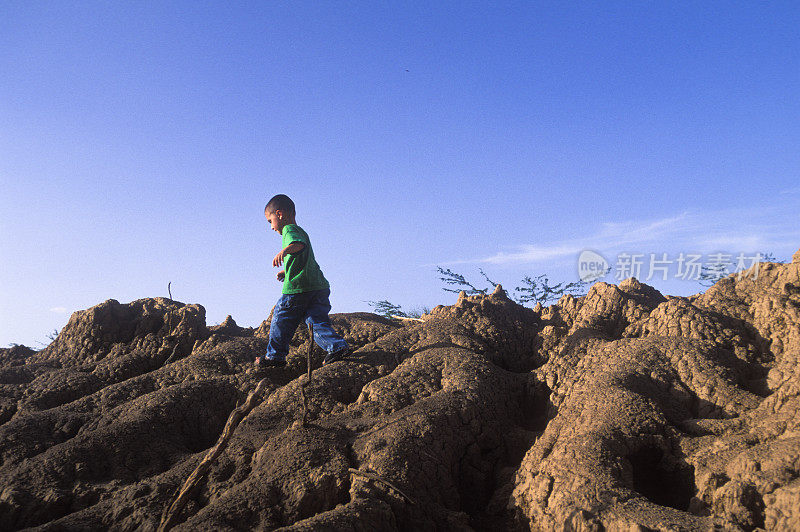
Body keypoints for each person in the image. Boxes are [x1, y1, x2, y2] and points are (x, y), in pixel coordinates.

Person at [256, 194, 351, 368]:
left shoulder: (289, 230)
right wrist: (287, 270)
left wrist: (283, 252)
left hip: (299, 289)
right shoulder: (301, 231)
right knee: (315, 321)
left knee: (280, 317)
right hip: (318, 287)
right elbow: (303, 255)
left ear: (279, 214)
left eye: (270, 221)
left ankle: (275, 357)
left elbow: (298, 245)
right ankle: (337, 347)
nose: (271, 227)